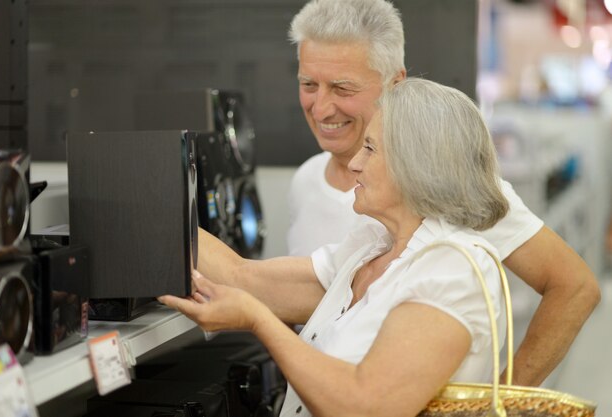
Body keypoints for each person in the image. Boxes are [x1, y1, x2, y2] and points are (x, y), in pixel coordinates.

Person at [285, 0, 600, 386]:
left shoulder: (453, 189)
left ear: (395, 84)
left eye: (342, 88)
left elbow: (574, 286)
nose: (320, 107)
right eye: (308, 85)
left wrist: (503, 399)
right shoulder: (305, 181)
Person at [161, 78, 510, 417]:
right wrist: (153, 212)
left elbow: (364, 406)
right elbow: (245, 280)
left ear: (417, 166)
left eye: (370, 148)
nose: (355, 161)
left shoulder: (454, 268)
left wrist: (258, 321)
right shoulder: (372, 248)